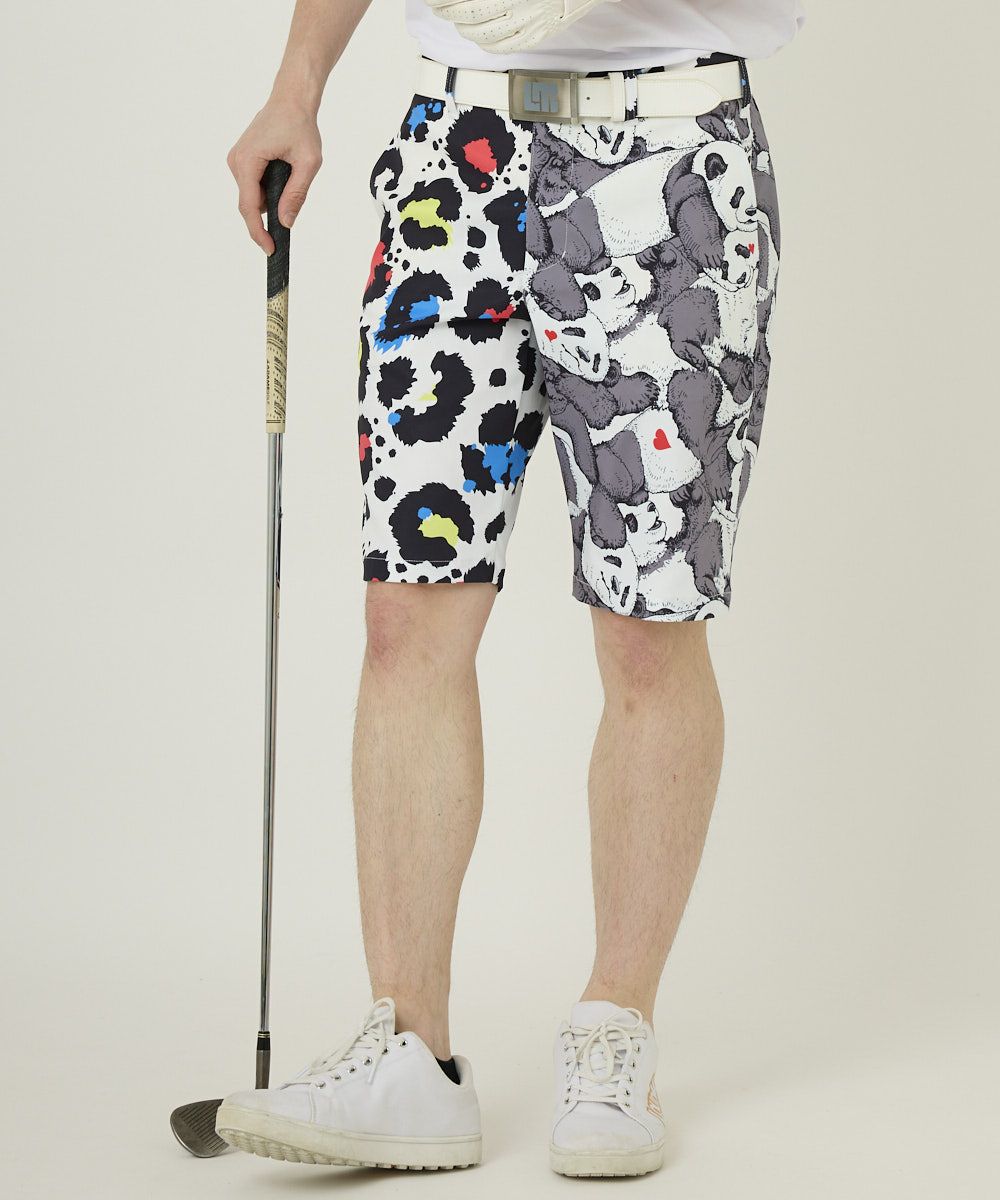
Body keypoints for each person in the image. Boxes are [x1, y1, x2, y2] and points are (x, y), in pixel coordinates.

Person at [217, 0, 803, 1178]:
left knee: (645, 622)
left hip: (670, 157)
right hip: (456, 153)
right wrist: (297, 83)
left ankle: (614, 1028)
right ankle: (409, 1056)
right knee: (407, 608)